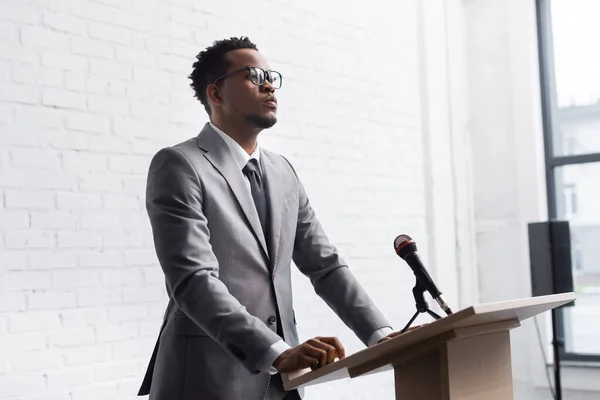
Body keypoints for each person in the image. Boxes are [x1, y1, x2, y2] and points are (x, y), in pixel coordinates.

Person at [138, 36, 398, 400]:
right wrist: (276, 350)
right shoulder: (180, 165)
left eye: (271, 76)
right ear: (215, 94)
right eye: (253, 75)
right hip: (206, 377)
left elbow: (325, 265)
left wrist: (380, 334)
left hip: (283, 384)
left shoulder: (282, 171)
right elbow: (193, 280)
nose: (268, 84)